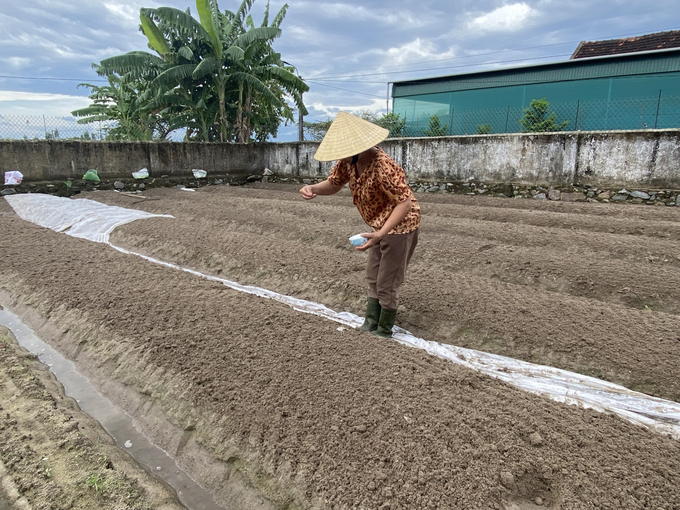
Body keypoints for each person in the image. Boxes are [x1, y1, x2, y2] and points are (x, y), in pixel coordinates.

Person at [299, 112, 420, 338]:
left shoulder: (383, 166)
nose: (341, 159)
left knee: (387, 280)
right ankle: (370, 321)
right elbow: (334, 184)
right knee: (373, 275)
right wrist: (313, 188)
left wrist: (382, 233)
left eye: (344, 154)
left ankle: (383, 329)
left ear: (358, 147)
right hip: (377, 226)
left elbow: (403, 203)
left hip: (399, 227)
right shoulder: (349, 161)